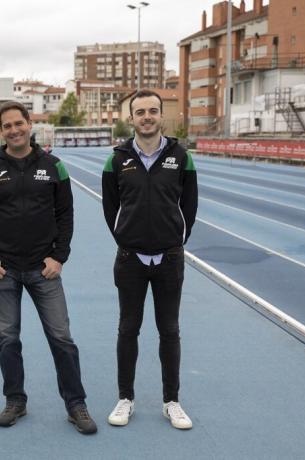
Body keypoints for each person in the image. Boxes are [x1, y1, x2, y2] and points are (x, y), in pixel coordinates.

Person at [0, 101, 97, 435]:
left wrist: (59, 257)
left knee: (62, 338)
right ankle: (15, 401)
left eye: (19, 123)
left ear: (29, 125)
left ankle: (76, 404)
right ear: (1, 131)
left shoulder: (54, 166)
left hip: (44, 268)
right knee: (8, 338)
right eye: (7, 126)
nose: (14, 130)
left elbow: (66, 214)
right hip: (3, 269)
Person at [101, 89, 198, 430]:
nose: (146, 116)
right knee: (128, 329)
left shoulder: (180, 156)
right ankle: (125, 398)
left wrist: (175, 240)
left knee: (169, 331)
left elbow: (190, 205)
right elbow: (110, 207)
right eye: (140, 111)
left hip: (169, 259)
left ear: (160, 116)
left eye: (152, 111)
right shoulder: (116, 159)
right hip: (130, 259)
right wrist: (126, 238)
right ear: (131, 118)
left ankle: (172, 401)